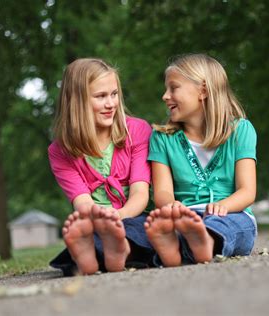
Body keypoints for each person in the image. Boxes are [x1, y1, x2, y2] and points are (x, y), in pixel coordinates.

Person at [144, 54, 257, 267]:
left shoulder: (241, 131)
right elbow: (162, 192)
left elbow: (247, 191)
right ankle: (185, 247)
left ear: (203, 91)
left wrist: (221, 206)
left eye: (173, 88)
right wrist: (173, 207)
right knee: (152, 226)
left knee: (225, 226)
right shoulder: (161, 138)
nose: (165, 96)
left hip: (231, 213)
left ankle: (199, 242)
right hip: (185, 216)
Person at [48, 58, 154, 276]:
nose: (111, 104)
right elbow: (83, 203)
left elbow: (140, 193)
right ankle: (100, 253)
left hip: (133, 214)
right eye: (101, 96)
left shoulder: (138, 131)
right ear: (77, 102)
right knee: (87, 237)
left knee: (140, 230)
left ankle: (118, 250)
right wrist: (103, 222)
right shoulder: (60, 151)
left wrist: (118, 217)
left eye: (114, 94)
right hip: (95, 222)